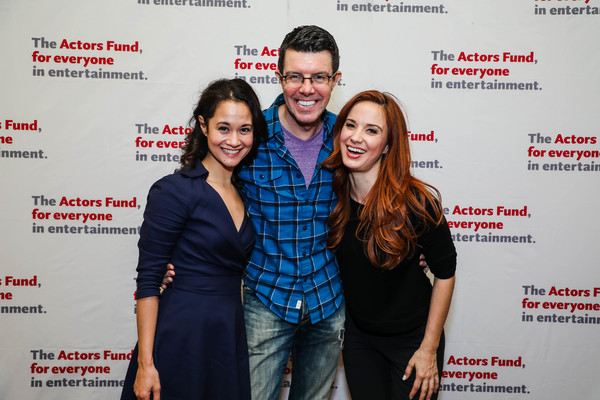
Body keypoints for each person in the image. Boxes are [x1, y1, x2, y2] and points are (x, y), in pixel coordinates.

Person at [163, 25, 345, 400]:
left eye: (319, 77)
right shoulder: (250, 134)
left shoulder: (348, 137)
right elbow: (204, 195)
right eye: (295, 76)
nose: (306, 89)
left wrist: (412, 242)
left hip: (329, 302)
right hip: (265, 301)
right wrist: (169, 259)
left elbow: (377, 195)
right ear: (279, 77)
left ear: (335, 80)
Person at [121, 78, 268, 400]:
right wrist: (146, 363)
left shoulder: (245, 195)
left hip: (227, 333)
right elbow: (148, 280)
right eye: (223, 128)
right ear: (203, 125)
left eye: (244, 129)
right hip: (181, 331)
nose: (234, 140)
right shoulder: (174, 190)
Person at [322, 90, 457, 400]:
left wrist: (429, 348)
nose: (356, 137)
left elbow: (445, 275)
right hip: (359, 341)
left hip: (414, 342)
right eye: (350, 125)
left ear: (388, 146)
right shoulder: (331, 193)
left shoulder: (417, 203)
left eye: (372, 131)